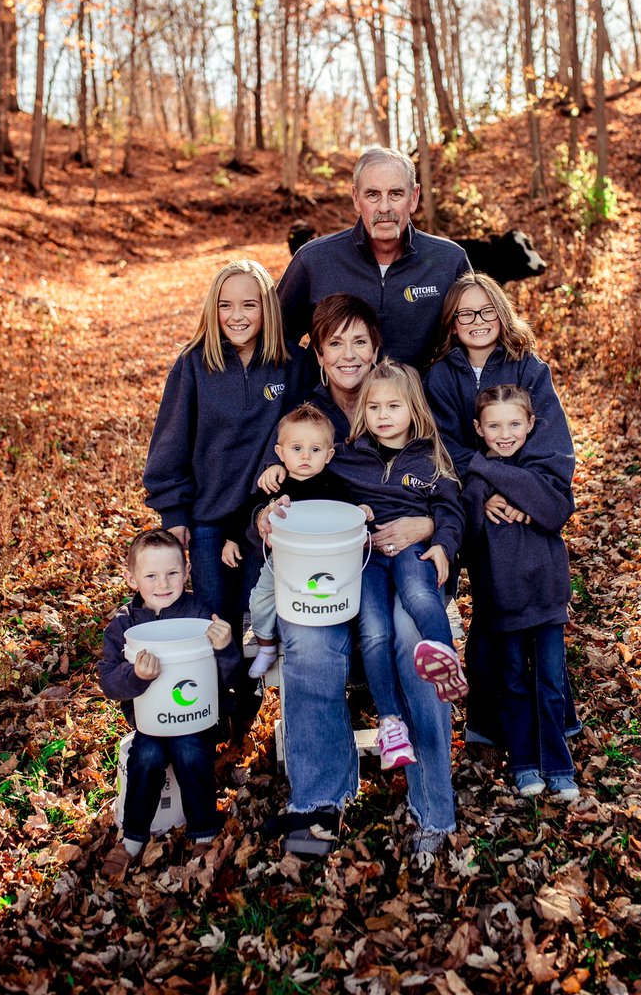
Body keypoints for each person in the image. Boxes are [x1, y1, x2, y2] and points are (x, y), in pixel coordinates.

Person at [257, 294, 457, 860]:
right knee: (311, 641)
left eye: (359, 342)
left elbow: (450, 486)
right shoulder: (308, 415)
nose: (348, 355)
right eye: (334, 344)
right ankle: (320, 800)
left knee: (413, 641)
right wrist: (265, 517)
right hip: (330, 574)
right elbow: (275, 486)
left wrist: (429, 527)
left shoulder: (407, 403)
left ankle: (432, 805)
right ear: (318, 354)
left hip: (406, 568)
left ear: (377, 349)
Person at [425, 272, 581, 746]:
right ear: (451, 323)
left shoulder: (529, 369)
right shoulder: (440, 376)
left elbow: (550, 446)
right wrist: (484, 492)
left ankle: (555, 720)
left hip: (527, 512)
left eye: (486, 311)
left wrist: (513, 492)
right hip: (475, 508)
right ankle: (489, 724)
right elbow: (443, 448)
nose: (477, 322)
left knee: (536, 617)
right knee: (492, 612)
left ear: (502, 312)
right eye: (465, 314)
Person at [142, 259, 306, 626]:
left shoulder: (294, 363)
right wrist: (174, 512)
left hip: (263, 516)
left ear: (268, 308)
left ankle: (252, 686)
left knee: (255, 615)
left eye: (249, 305)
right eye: (225, 305)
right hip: (207, 519)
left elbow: (307, 425)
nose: (237, 316)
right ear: (212, 309)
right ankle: (218, 685)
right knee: (215, 619)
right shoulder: (194, 365)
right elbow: (170, 443)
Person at [335, 360, 466, 770]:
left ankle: (446, 662)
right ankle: (390, 722)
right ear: (363, 412)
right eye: (374, 407)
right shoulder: (348, 457)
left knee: (418, 593)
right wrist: (276, 470)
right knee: (374, 633)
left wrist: (443, 546)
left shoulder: (430, 456)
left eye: (393, 407)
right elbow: (311, 477)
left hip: (413, 550)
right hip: (368, 558)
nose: (383, 416)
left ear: (413, 409)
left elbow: (451, 509)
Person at [99, 529, 241, 877]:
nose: (163, 583)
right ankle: (132, 837)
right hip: (151, 720)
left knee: (192, 752)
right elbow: (109, 680)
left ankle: (204, 830)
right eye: (150, 575)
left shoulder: (198, 614)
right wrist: (136, 676)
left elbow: (230, 676)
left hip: (195, 717)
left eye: (172, 573)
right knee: (146, 756)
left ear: (187, 571)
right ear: (131, 578)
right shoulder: (124, 625)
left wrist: (224, 647)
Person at [461, 386, 579, 801]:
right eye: (494, 425)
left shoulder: (542, 471)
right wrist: (488, 489)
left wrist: (491, 471)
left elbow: (556, 508)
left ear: (531, 424)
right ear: (478, 428)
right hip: (502, 601)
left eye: (514, 424)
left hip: (547, 599)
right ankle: (525, 763)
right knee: (511, 682)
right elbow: (468, 534)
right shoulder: (475, 482)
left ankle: (558, 766)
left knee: (549, 684)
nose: (505, 433)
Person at [277, 146, 471, 370]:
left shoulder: (449, 261)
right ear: (356, 199)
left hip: (420, 403)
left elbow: (475, 345)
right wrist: (304, 385)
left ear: (414, 197)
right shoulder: (313, 260)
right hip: (333, 404)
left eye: (396, 194)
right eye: (372, 195)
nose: (384, 207)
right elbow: (274, 341)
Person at [220, 403, 372, 679]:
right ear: (280, 453)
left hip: (326, 564)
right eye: (296, 448)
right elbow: (247, 509)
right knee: (260, 599)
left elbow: (351, 510)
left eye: (315, 450)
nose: (305, 456)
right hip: (282, 562)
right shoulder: (276, 487)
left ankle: (353, 653)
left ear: (329, 455)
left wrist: (363, 513)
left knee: (343, 598)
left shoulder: (333, 486)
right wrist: (232, 540)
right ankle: (266, 644)